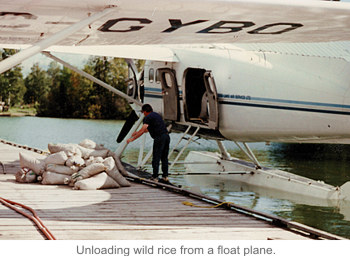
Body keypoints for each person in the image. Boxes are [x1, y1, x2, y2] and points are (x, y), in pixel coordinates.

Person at [127, 104, 170, 182]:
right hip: (166, 136)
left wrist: (132, 139)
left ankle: (155, 177)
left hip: (159, 138)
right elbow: (147, 130)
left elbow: (143, 130)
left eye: (143, 112)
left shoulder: (148, 117)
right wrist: (136, 133)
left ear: (145, 111)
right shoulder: (156, 115)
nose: (143, 114)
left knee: (156, 157)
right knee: (164, 158)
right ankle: (165, 176)